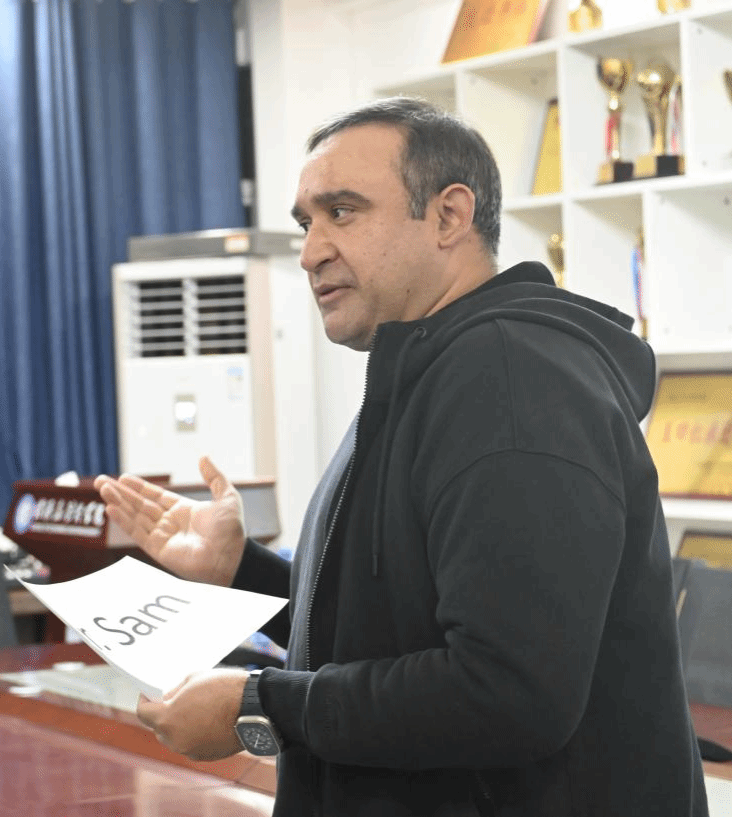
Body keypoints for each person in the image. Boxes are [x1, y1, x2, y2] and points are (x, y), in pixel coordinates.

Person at [94, 97, 707, 816]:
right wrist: (242, 570)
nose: (311, 251)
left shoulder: (511, 380)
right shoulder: (429, 373)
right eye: (307, 223)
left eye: (342, 212)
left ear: (449, 216)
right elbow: (391, 632)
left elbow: (509, 693)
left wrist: (261, 705)